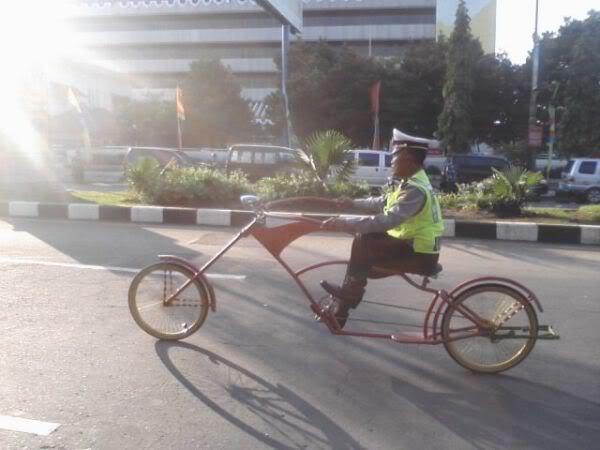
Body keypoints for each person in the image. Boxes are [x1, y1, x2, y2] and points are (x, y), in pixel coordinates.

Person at [320, 133, 444, 328]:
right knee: (364, 240)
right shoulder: (409, 184)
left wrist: (345, 222)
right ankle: (345, 301)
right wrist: (351, 204)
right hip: (412, 245)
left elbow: (387, 220)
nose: (391, 162)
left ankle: (346, 301)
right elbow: (382, 202)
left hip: (420, 253)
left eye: (395, 157)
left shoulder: (415, 190)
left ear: (409, 160)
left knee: (364, 240)